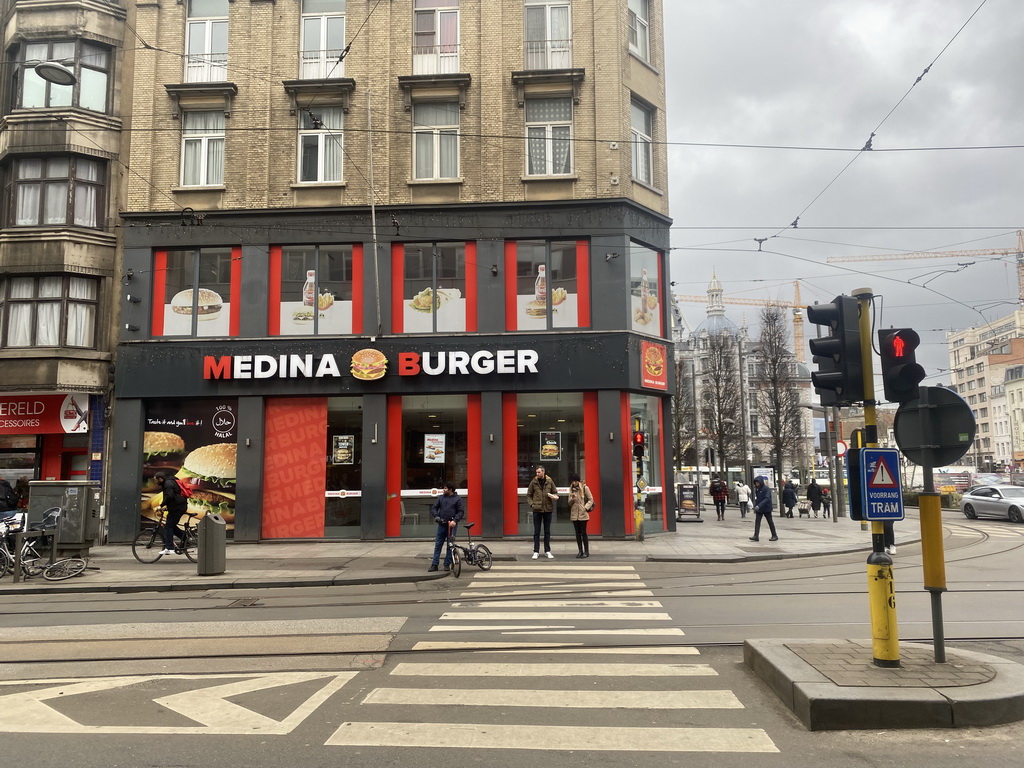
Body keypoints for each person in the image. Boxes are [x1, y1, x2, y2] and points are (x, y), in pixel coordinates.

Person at [428, 482, 465, 572]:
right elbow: (434, 508)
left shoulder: (457, 499)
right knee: (438, 545)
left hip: (451, 525)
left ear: (450, 489)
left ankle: (447, 564)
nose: (443, 490)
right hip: (442, 524)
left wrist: (455, 520)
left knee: (450, 545)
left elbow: (461, 511)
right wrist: (436, 516)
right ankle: (434, 564)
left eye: (445, 488)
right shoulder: (441, 498)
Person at [527, 466, 558, 559]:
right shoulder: (533, 482)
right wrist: (532, 504)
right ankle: (536, 551)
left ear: (543, 472)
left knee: (547, 531)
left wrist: (554, 496)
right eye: (536, 472)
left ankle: (547, 551)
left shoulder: (549, 481)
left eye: (539, 472)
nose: (537, 474)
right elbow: (529, 495)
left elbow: (555, 492)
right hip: (537, 510)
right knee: (537, 531)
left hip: (547, 509)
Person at [153, 472, 187, 555]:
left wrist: (161, 505)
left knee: (168, 526)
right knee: (171, 525)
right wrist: (167, 507)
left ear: (160, 479)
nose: (156, 482)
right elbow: (174, 497)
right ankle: (185, 538)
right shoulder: (171, 481)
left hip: (177, 508)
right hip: (178, 506)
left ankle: (169, 548)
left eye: (156, 480)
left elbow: (170, 496)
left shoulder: (168, 484)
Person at [568, 475, 595, 558]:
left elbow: (591, 499)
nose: (574, 483)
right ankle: (580, 551)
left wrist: (585, 507)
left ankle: (586, 551)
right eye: (573, 481)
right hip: (574, 514)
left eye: (576, 481)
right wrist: (571, 499)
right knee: (577, 533)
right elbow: (569, 503)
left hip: (583, 514)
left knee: (583, 533)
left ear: (578, 481)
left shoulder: (584, 488)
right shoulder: (571, 490)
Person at [749, 475, 779, 542]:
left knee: (770, 522)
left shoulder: (766, 489)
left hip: (766, 508)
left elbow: (767, 498)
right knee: (757, 522)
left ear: (761, 482)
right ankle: (756, 536)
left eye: (758, 483)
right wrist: (756, 506)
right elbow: (757, 498)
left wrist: (759, 506)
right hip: (759, 509)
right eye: (756, 483)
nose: (757, 484)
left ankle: (774, 535)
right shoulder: (757, 489)